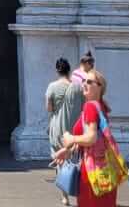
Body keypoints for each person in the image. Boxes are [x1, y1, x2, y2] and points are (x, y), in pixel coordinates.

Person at [54, 69, 125, 206]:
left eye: (89, 81)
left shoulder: (90, 107)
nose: (84, 84)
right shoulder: (101, 107)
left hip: (91, 174)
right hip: (105, 172)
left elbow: (91, 137)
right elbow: (95, 140)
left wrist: (71, 139)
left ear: (100, 87)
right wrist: (68, 150)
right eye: (83, 81)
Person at [46, 58, 84, 202]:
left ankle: (64, 196)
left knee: (60, 161)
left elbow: (49, 108)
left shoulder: (52, 87)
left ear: (57, 70)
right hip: (74, 131)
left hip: (57, 129)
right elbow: (83, 108)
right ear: (69, 71)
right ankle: (79, 192)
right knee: (75, 161)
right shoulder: (78, 88)